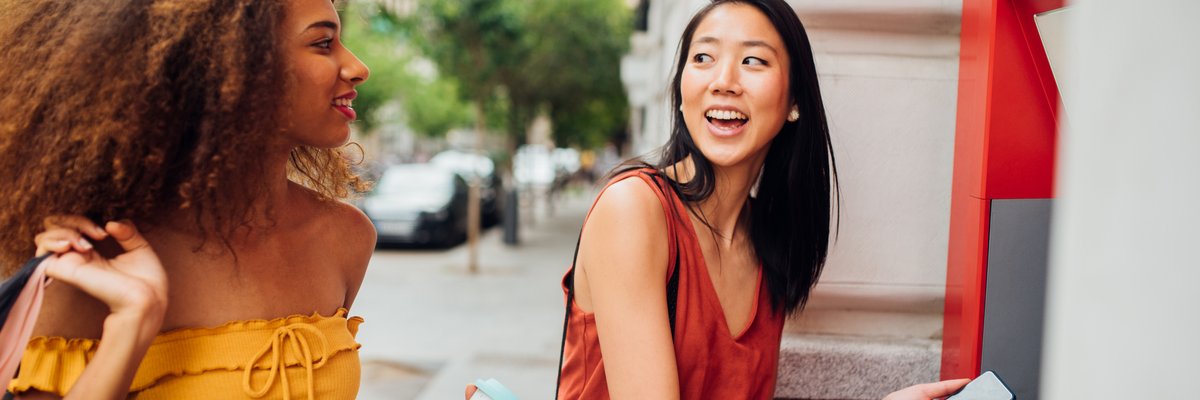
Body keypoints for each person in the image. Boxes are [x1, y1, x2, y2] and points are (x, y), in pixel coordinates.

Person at [555, 1, 969, 399]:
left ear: (793, 102)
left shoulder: (767, 245)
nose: (723, 81)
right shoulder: (633, 209)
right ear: (682, 93)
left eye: (753, 61)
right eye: (703, 58)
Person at [0, 0, 374, 398]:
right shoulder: (96, 263)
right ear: (231, 65)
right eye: (322, 43)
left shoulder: (345, 238)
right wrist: (133, 321)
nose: (358, 67)